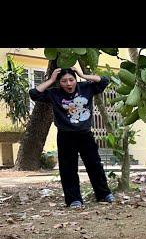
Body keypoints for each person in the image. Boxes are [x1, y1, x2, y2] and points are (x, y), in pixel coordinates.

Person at [29, 66, 114, 208]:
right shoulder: (54, 93)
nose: (68, 84)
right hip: (65, 136)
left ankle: (104, 194)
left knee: (94, 165)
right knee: (68, 169)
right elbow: (34, 94)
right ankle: (74, 199)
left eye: (71, 80)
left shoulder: (86, 88)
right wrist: (51, 80)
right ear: (59, 82)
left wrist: (83, 75)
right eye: (64, 81)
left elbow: (104, 81)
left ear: (75, 79)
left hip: (85, 134)